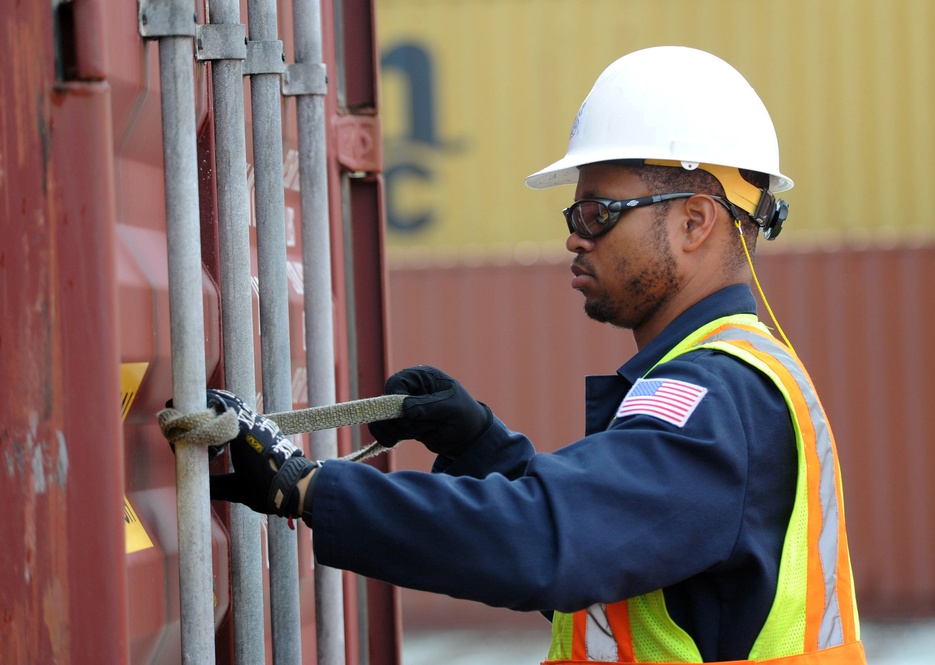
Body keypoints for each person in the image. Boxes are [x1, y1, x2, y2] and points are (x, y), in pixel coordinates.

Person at [194, 46, 865, 663]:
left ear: (694, 221)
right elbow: (609, 568)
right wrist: (480, 448)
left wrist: (308, 487)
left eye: (597, 214)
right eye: (573, 218)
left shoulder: (714, 397)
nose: (576, 238)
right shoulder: (720, 382)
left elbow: (550, 542)